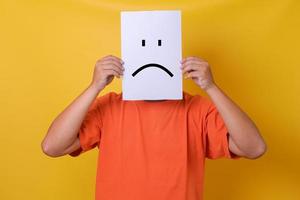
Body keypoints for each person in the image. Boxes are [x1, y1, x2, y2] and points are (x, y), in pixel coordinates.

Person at [41, 55, 266, 200]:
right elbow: (52, 146)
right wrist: (94, 87)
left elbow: (254, 148)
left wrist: (211, 87)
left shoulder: (197, 109)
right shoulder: (109, 107)